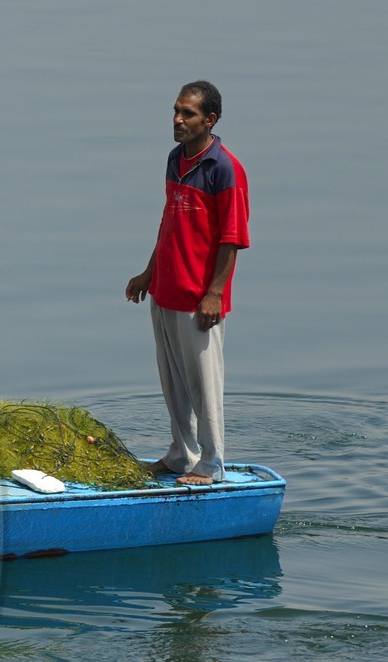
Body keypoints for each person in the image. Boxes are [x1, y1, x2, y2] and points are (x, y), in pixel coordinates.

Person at [126, 80, 251, 486]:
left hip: (200, 298)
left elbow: (233, 237)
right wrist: (148, 272)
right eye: (176, 112)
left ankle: (211, 464)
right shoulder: (175, 158)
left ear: (210, 120)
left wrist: (215, 293)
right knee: (173, 379)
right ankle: (182, 453)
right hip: (166, 289)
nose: (178, 120)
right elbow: (170, 221)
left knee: (204, 385)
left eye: (188, 114)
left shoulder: (224, 168)